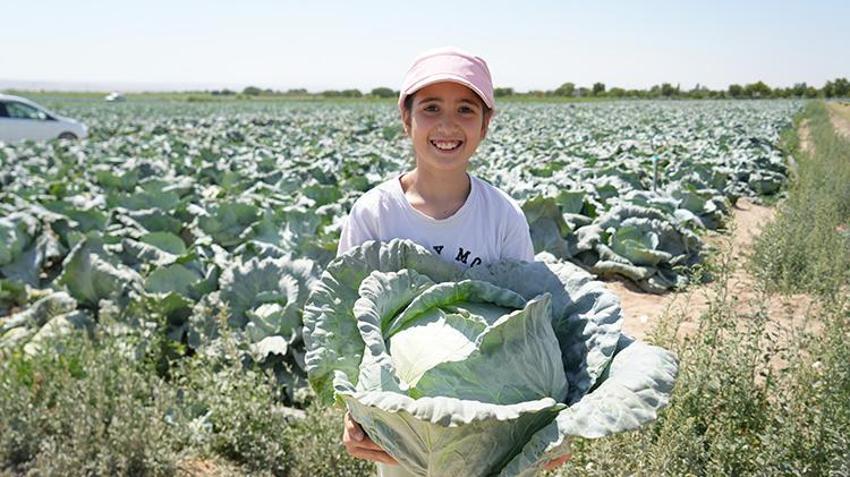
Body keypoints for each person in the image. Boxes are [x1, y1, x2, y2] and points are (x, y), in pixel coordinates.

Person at [336, 47, 571, 476]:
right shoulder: (373, 214)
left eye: (466, 109)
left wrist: (550, 425)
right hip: (404, 438)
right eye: (430, 108)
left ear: (485, 125)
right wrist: (353, 411)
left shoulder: (502, 215)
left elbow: (535, 319)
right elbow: (346, 331)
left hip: (497, 443)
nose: (447, 124)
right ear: (406, 119)